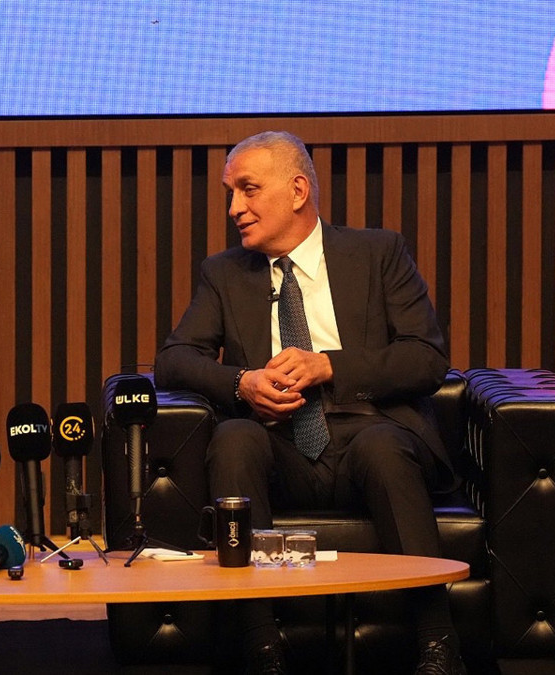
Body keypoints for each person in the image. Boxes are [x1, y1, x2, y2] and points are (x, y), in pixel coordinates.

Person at [154, 131, 465, 675]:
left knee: (383, 449)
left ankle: (439, 646)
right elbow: (174, 359)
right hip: (279, 445)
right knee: (234, 438)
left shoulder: (378, 253)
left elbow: (426, 357)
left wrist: (329, 366)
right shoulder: (224, 273)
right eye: (231, 194)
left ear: (298, 191)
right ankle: (261, 647)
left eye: (248, 190)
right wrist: (242, 382)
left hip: (369, 431)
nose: (234, 208)